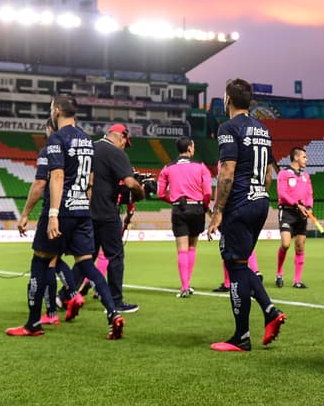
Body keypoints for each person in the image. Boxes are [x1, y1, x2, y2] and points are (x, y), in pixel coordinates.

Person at [7, 95, 124, 338]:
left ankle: (33, 324)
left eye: (51, 108)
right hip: (83, 210)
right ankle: (113, 313)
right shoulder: (86, 140)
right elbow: (90, 181)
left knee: (40, 261)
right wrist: (82, 206)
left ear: (57, 110)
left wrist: (53, 215)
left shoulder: (56, 139)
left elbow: (56, 177)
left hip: (61, 211)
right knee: (87, 264)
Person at [205, 78, 286, 352]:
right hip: (260, 202)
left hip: (239, 203)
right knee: (242, 264)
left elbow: (227, 170)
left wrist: (218, 211)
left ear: (227, 99)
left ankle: (241, 336)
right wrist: (258, 196)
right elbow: (267, 175)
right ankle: (270, 311)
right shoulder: (263, 129)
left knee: (235, 266)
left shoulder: (228, 128)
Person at [17, 118, 82, 324]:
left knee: (45, 262)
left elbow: (39, 184)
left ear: (50, 129)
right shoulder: (79, 148)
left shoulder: (50, 149)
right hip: (75, 211)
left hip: (54, 212)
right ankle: (72, 295)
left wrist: (26, 214)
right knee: (56, 259)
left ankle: (52, 312)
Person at [90, 123, 144, 314]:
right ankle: (115, 301)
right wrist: (140, 190)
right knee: (115, 256)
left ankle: (65, 296)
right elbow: (130, 182)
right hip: (106, 212)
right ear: (121, 136)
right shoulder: (116, 152)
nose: (124, 146)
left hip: (88, 210)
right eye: (125, 143)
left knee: (87, 257)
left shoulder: (91, 147)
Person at [156, 136, 212, 297]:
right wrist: (204, 206)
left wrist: (173, 200)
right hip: (197, 209)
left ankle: (184, 286)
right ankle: (188, 284)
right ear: (189, 148)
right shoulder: (201, 167)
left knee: (181, 249)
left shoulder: (167, 168)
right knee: (192, 247)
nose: (193, 149)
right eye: (193, 146)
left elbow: (160, 194)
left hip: (179, 210)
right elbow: (207, 192)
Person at [275, 147, 314, 289]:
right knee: (285, 244)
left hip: (302, 213)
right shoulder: (284, 174)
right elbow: (282, 194)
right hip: (287, 212)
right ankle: (279, 273)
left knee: (300, 246)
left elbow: (309, 194)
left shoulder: (306, 176)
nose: (306, 159)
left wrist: (308, 207)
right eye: (304, 157)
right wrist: (297, 205)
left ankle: (297, 281)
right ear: (296, 158)